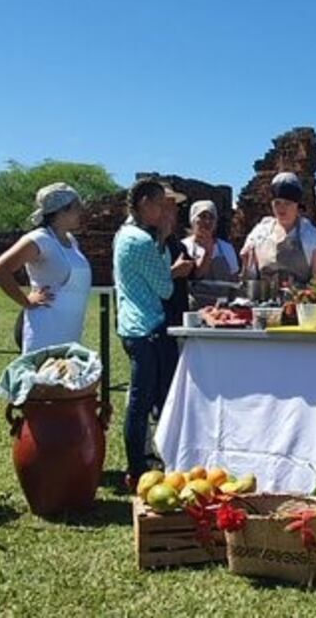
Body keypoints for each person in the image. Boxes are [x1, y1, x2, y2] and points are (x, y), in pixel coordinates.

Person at [114, 178, 194, 489]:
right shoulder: (140, 240)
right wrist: (166, 255)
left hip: (138, 327)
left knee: (151, 398)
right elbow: (163, 286)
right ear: (145, 203)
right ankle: (137, 466)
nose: (164, 211)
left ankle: (154, 460)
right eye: (160, 204)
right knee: (142, 400)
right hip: (146, 327)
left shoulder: (127, 234)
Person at [0, 182, 91, 354]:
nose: (81, 212)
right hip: (45, 330)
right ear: (62, 210)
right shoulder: (40, 239)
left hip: (70, 330)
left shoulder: (71, 241)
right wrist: (26, 301)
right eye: (76, 207)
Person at [240, 172, 316, 288]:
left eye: (287, 204)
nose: (281, 208)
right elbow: (248, 276)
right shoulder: (259, 234)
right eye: (277, 203)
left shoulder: (314, 238)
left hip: (299, 303)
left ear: (297, 205)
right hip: (262, 302)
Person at [183, 200, 240, 309]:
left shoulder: (226, 248)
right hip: (194, 310)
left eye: (211, 218)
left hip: (222, 310)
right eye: (203, 217)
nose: (207, 221)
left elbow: (234, 281)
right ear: (193, 220)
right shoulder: (184, 247)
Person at [160, 187, 192, 327]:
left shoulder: (177, 245)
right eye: (171, 206)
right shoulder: (146, 243)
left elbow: (195, 274)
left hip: (177, 316)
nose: (176, 211)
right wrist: (173, 271)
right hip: (158, 320)